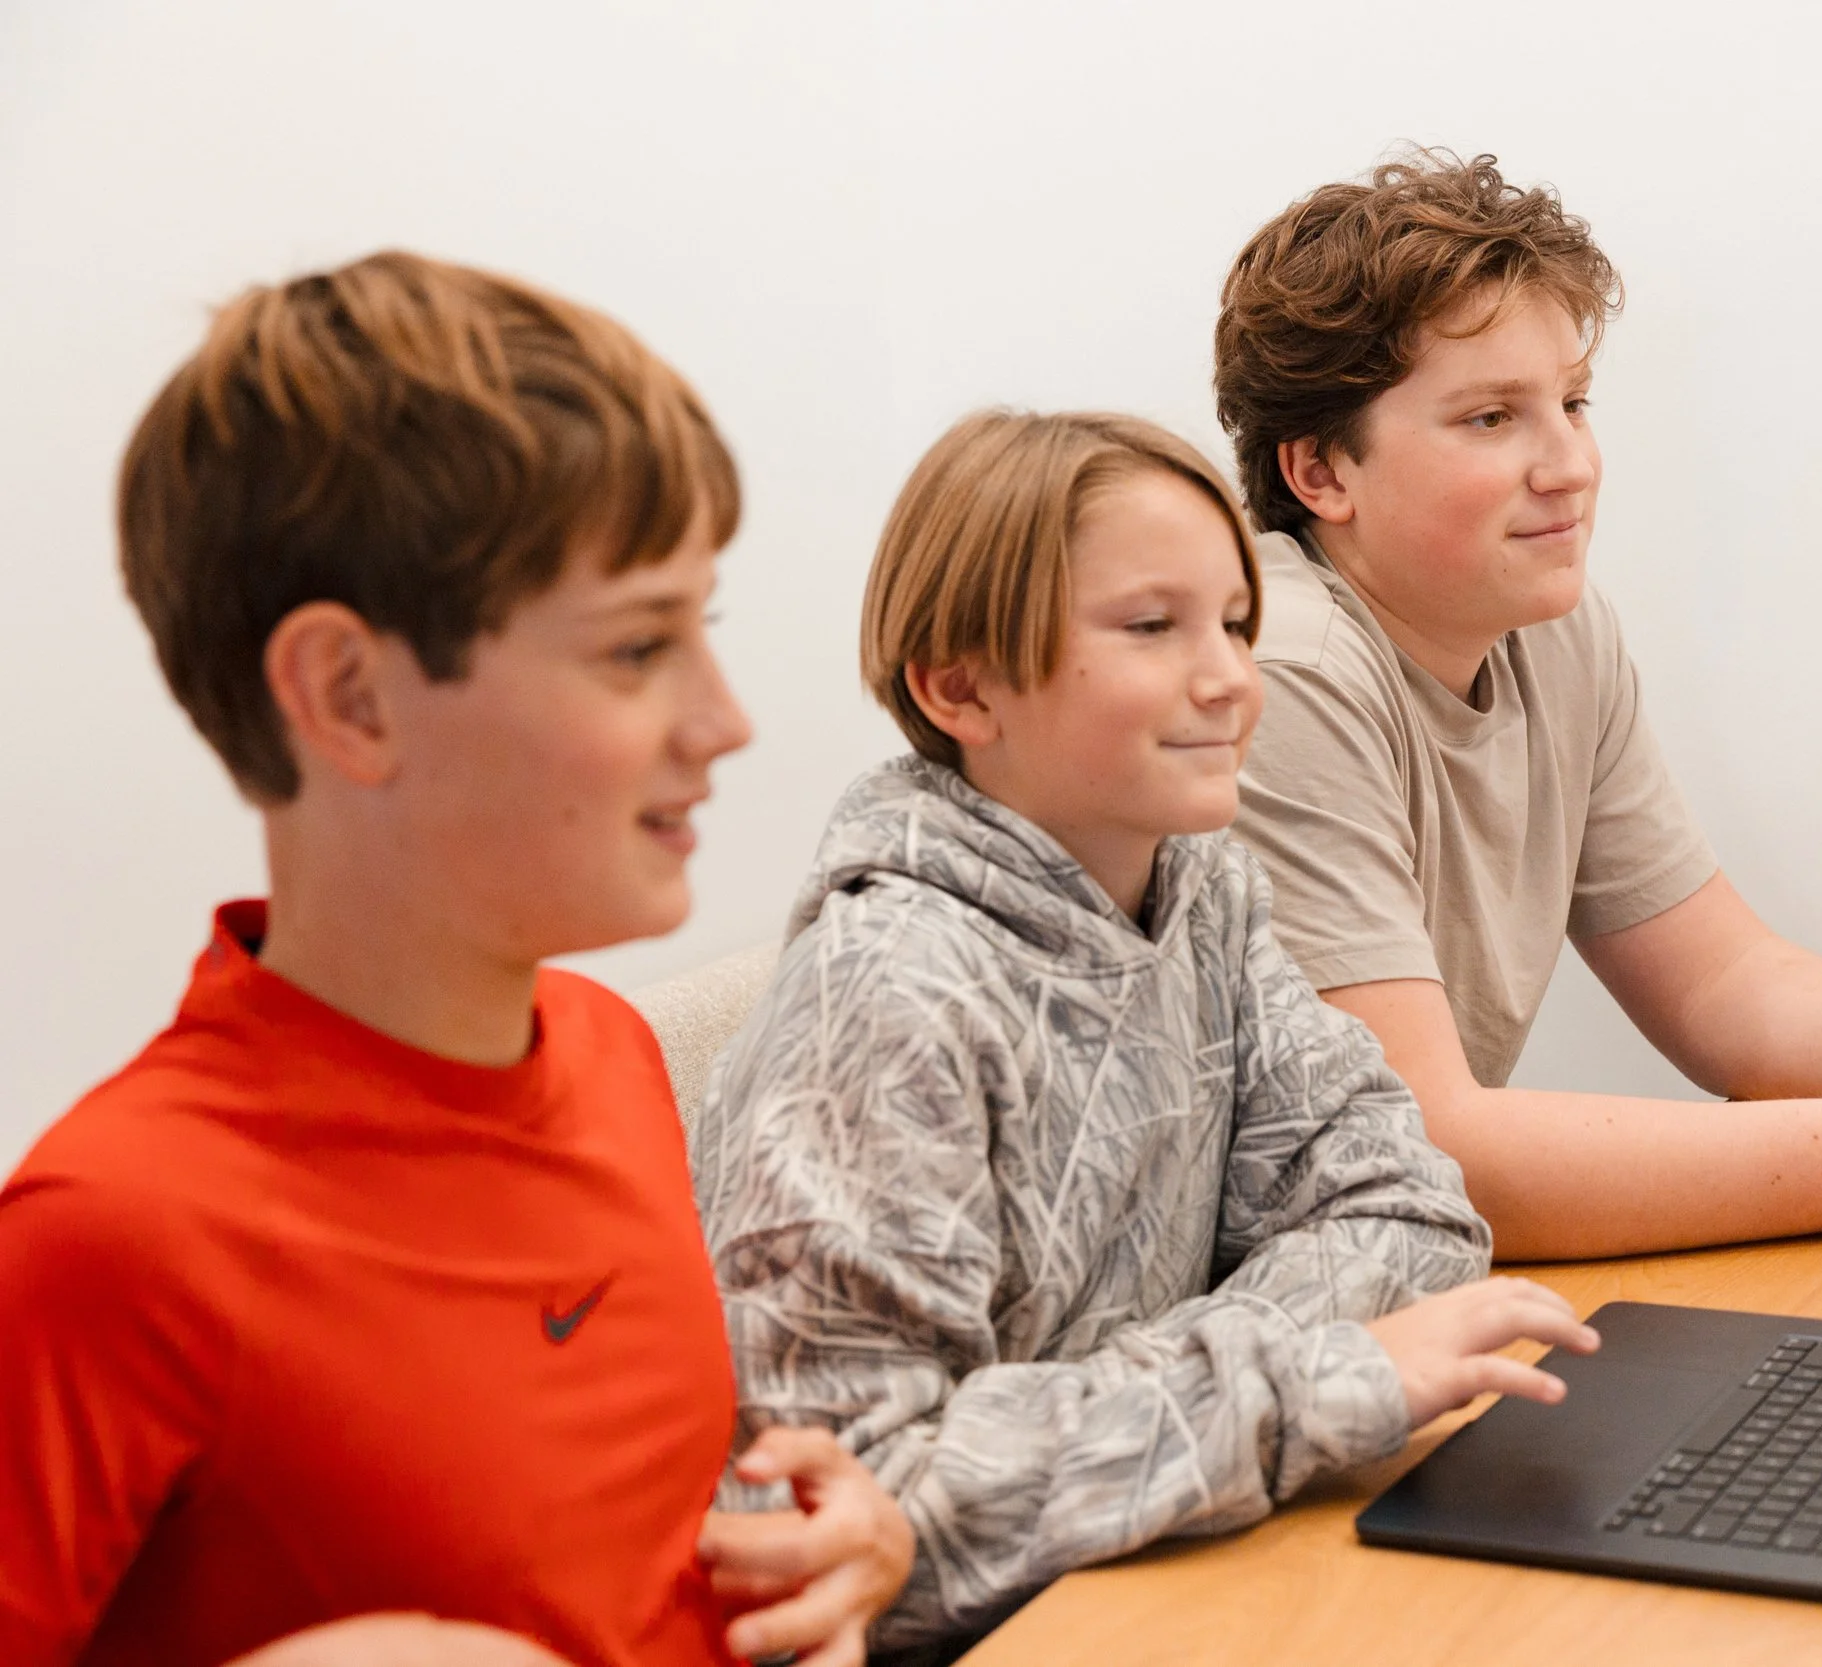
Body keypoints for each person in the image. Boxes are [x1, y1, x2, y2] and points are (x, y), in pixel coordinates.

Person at [0, 253, 910, 1667]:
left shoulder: (610, 1051)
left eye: (701, 630)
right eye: (635, 648)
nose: (725, 720)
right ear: (350, 696)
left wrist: (841, 1545)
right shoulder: (108, 1242)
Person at [686, 409, 1598, 1653]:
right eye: (1150, 627)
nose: (1227, 676)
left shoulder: (1202, 891)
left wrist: (1155, 1401)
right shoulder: (886, 997)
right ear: (961, 686)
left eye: (1233, 621)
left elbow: (1409, 1210)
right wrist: (1313, 1382)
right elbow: (847, 1515)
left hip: (1160, 1574)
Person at [1213, 151, 1822, 1262]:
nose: (1570, 464)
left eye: (1573, 400)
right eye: (1492, 418)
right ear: (1320, 473)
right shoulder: (1286, 668)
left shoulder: (1551, 626)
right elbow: (1425, 1148)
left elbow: (1723, 983)